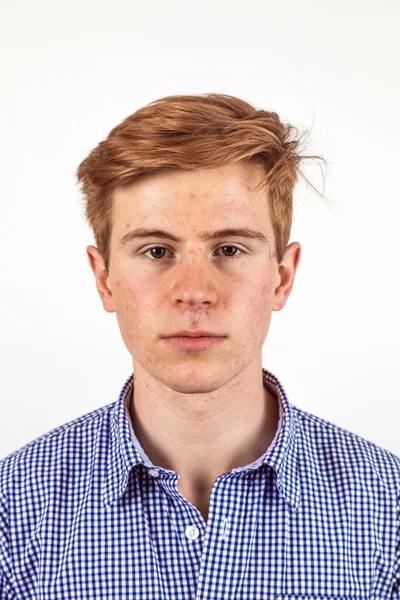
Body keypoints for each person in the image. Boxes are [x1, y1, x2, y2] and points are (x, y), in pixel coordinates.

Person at [0, 93, 399, 600]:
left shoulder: (389, 510)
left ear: (282, 277)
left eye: (229, 249)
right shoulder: (11, 512)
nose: (194, 290)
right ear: (104, 279)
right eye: (156, 250)